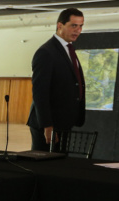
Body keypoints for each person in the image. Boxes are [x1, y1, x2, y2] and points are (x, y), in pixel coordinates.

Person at [27, 8, 86, 151]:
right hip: (49, 124)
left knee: (61, 165)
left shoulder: (68, 49)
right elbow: (40, 93)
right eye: (73, 25)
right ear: (60, 26)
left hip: (65, 121)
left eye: (80, 26)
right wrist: (47, 125)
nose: (78, 30)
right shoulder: (46, 52)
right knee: (46, 166)